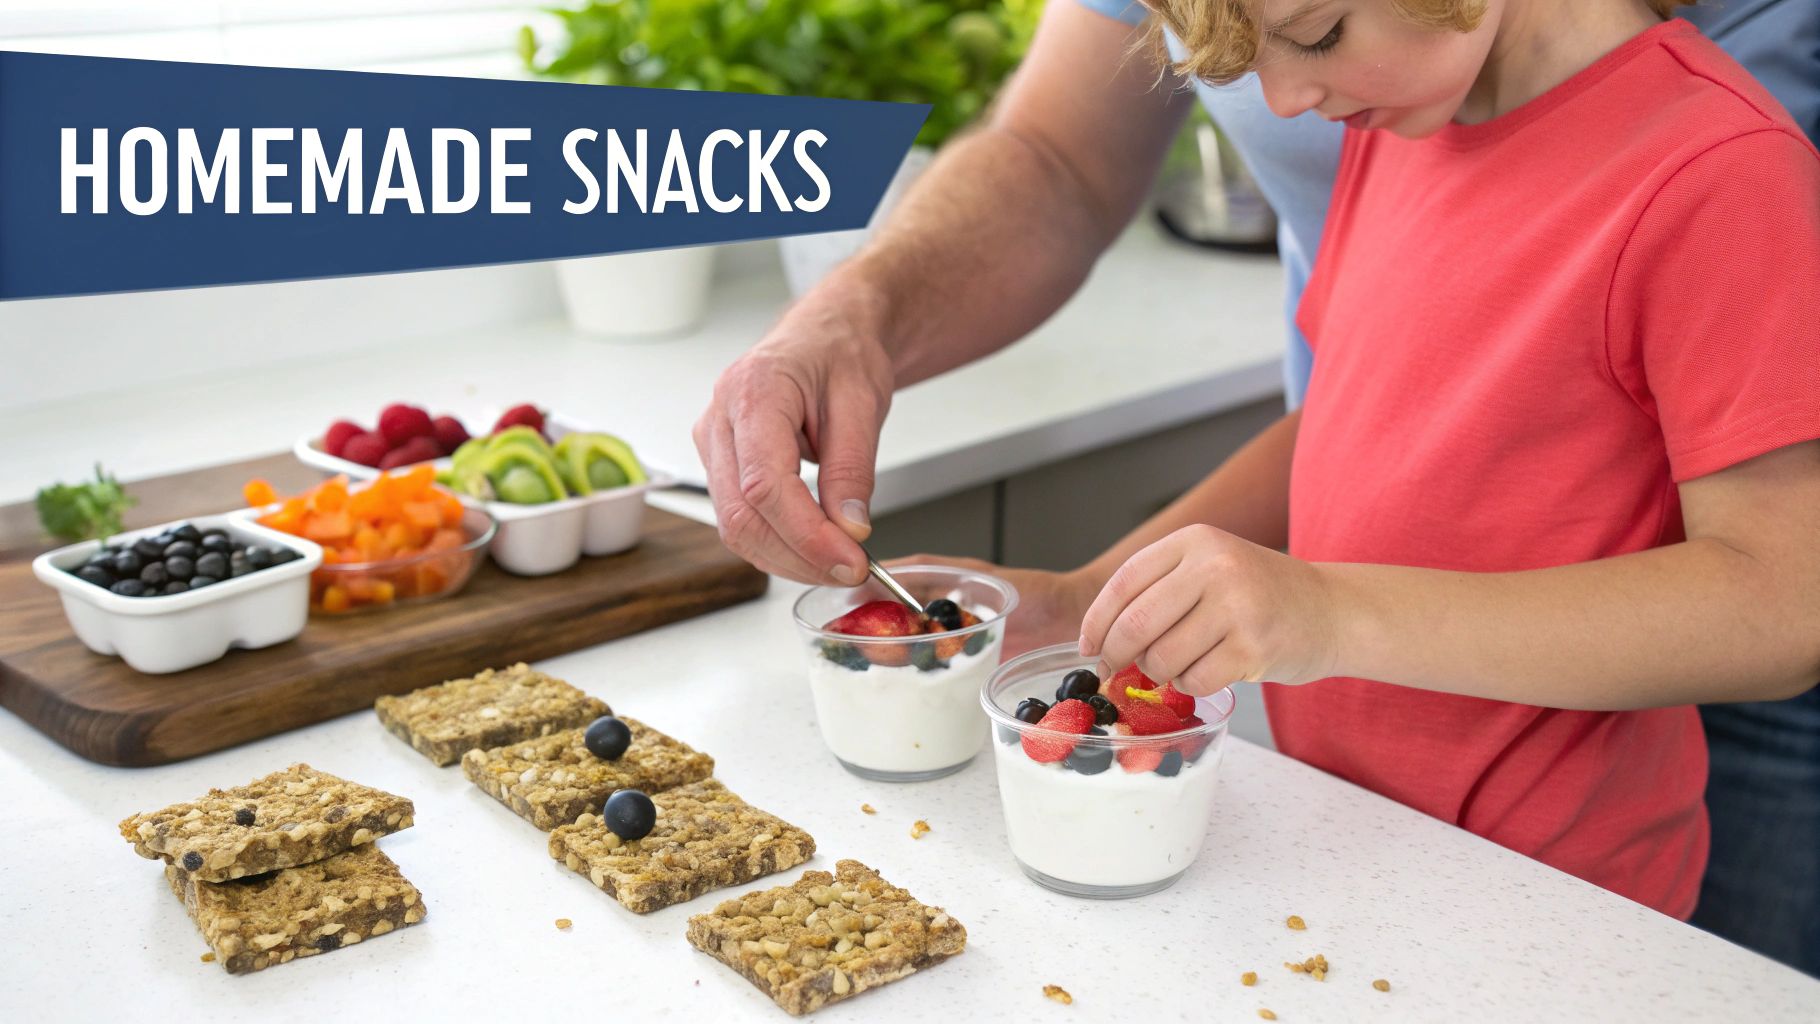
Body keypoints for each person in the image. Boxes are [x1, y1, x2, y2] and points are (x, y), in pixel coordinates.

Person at [692, 0, 1820, 969]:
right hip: (1349, 847)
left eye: (1315, 33)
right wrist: (1089, 596)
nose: (1282, 102)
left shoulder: (1717, 172)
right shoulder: (1406, 117)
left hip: (1551, 910)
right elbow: (1342, 428)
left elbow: (1780, 603)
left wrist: (1323, 610)